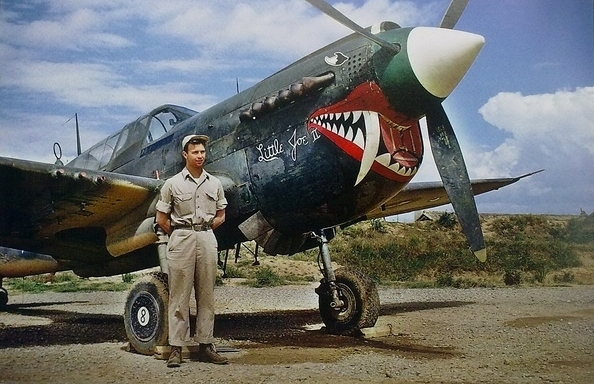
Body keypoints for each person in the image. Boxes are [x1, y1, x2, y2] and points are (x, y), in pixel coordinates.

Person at [155, 134, 228, 367]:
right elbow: (161, 218)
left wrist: (204, 229)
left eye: (203, 152)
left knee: (206, 295)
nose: (200, 156)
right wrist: (181, 232)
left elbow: (221, 214)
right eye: (195, 152)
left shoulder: (215, 183)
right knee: (179, 296)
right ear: (185, 155)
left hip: (206, 238)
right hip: (181, 238)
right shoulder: (172, 184)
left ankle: (206, 346)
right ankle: (176, 347)